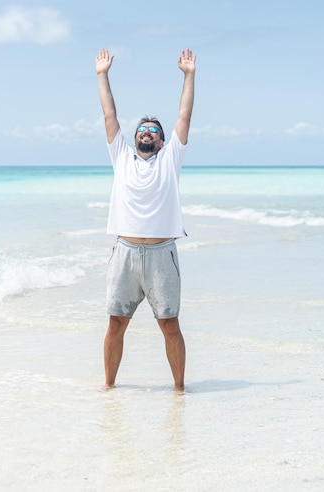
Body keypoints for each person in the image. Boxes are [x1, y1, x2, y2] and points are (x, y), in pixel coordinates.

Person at [95, 47, 196, 391]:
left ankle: (180, 390)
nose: (146, 132)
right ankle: (109, 388)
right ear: (134, 137)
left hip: (161, 255)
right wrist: (102, 75)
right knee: (116, 324)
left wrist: (189, 76)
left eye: (153, 130)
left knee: (169, 325)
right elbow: (110, 117)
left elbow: (184, 117)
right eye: (142, 129)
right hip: (124, 252)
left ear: (163, 140)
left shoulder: (170, 160)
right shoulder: (121, 157)